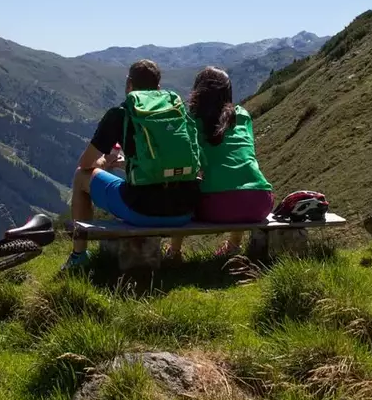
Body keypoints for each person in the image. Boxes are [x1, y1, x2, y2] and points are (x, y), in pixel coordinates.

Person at [63, 59, 201, 271]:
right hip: (185, 210)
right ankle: (175, 252)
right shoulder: (176, 110)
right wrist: (126, 164)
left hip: (141, 210)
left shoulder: (121, 113)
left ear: (129, 84)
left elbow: (86, 162)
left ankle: (79, 256)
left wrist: (104, 162)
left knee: (81, 176)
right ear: (158, 88)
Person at [166, 66, 274, 260]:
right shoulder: (242, 115)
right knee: (239, 176)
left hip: (217, 206)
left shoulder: (191, 119)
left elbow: (184, 161)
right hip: (260, 201)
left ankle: (174, 252)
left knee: (183, 184)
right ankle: (234, 246)